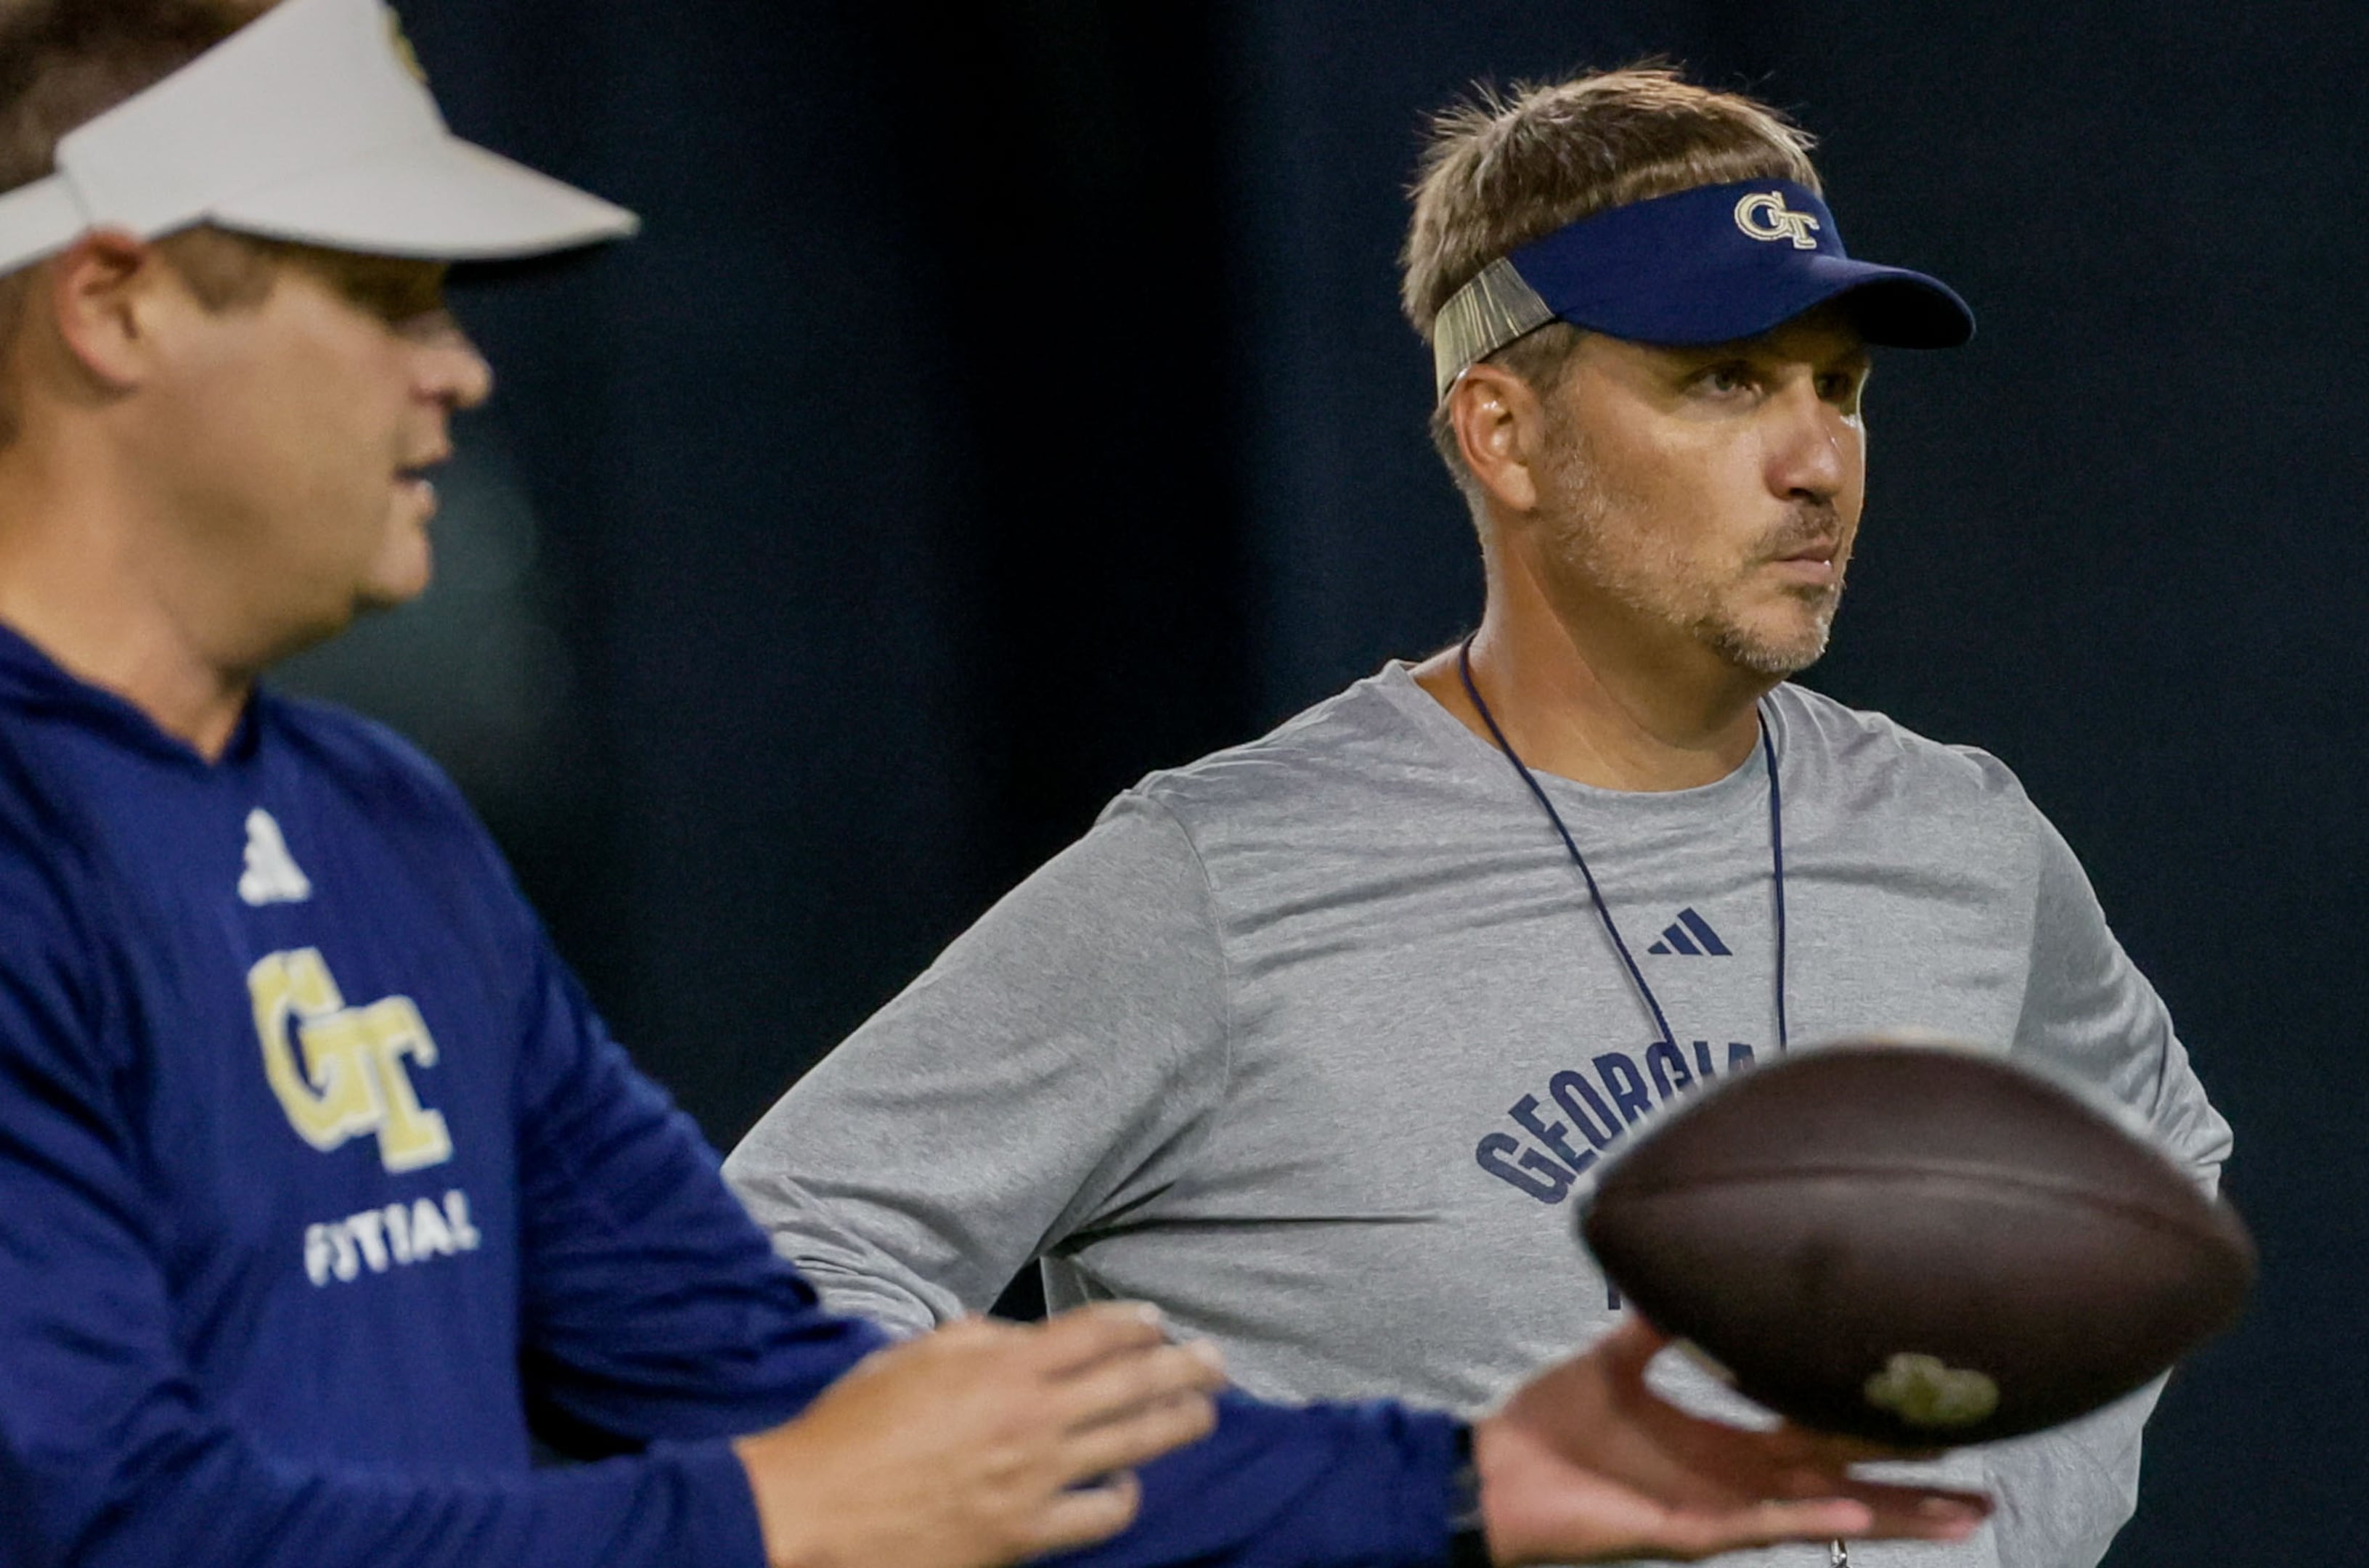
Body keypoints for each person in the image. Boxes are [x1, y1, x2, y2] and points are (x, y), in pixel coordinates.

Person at [0, 9, 1994, 1567]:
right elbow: (101, 1524)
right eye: (378, 298)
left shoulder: (379, 829)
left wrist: (1460, 1484)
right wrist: (788, 1523)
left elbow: (762, 1369)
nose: (453, 373)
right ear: (112, 305)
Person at [726, 65, 2236, 1568]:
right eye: (1726, 381)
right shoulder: (1226, 878)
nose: (1816, 462)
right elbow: (785, 1262)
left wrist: (2001, 1532)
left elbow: (2153, 1164)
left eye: (1837, 387)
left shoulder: (1958, 843)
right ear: (1505, 434)